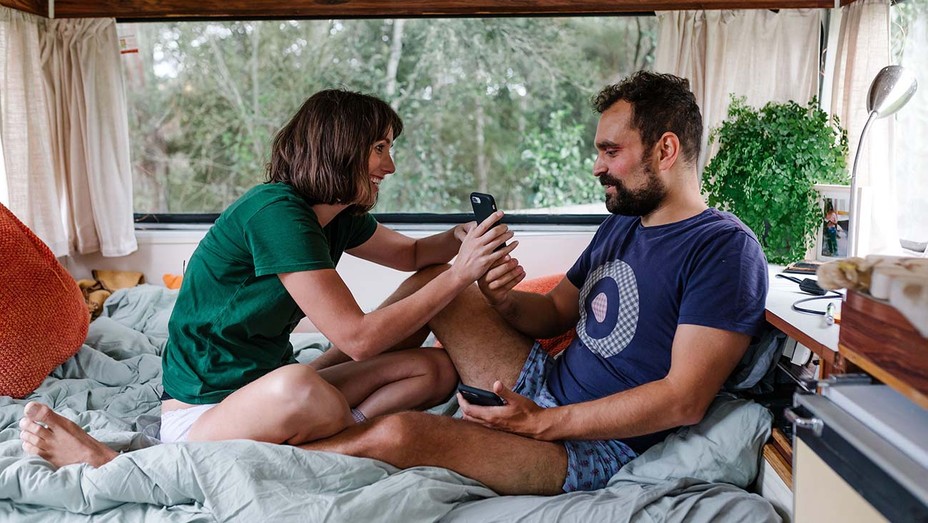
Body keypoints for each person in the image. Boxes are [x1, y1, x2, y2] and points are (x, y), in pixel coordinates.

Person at [21, 72, 769, 496]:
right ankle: (203, 444)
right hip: (535, 379)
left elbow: (683, 399)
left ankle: (178, 458)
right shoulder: (623, 227)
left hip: (592, 439)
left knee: (410, 423)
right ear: (348, 151)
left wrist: (544, 422)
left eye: (611, 150)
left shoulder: (723, 249)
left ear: (665, 149)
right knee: (440, 299)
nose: (598, 165)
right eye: (380, 148)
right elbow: (549, 314)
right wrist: (496, 290)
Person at [19, 89, 513, 465]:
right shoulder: (276, 213)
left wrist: (462, 238)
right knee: (299, 386)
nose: (391, 165)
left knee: (436, 369)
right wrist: (462, 273)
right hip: (207, 408)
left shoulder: (338, 212)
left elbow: (412, 256)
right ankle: (130, 460)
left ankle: (340, 432)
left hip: (265, 380)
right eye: (379, 147)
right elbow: (358, 340)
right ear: (341, 148)